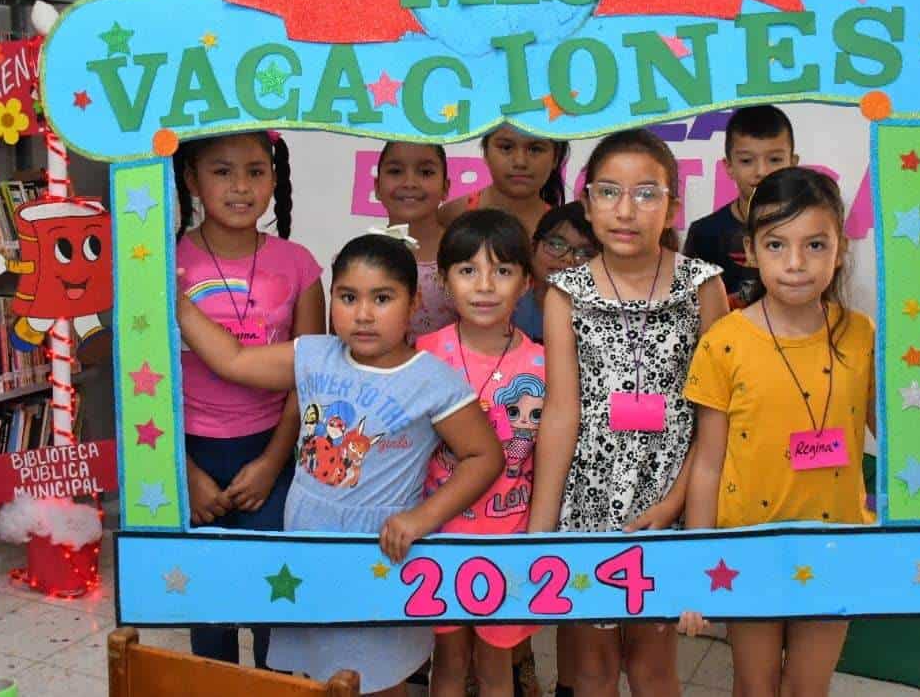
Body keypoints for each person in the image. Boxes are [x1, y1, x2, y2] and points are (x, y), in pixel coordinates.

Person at [677, 167, 920, 697]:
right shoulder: (724, 342)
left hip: (838, 543)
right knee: (755, 686)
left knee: (808, 688)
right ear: (750, 250)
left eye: (814, 244)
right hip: (748, 546)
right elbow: (708, 462)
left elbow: (900, 436)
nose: (794, 263)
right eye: (776, 244)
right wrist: (700, 559)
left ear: (839, 248)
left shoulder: (861, 335)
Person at [178, 232, 504, 696]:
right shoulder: (314, 356)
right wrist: (177, 303)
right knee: (317, 679)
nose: (364, 314)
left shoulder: (431, 380)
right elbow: (233, 359)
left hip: (378, 558)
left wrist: (421, 519)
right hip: (308, 553)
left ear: (413, 304)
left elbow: (483, 455)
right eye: (348, 297)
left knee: (377, 680)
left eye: (383, 298)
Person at [528, 128, 729, 697]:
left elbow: (712, 417)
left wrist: (677, 504)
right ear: (587, 203)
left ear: (672, 205)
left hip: (671, 492)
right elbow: (562, 414)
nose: (625, 210)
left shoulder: (703, 286)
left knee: (652, 665)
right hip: (588, 499)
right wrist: (539, 534)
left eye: (646, 193)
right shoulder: (564, 293)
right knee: (590, 669)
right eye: (609, 192)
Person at [172, 130, 325, 667]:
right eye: (221, 171)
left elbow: (310, 380)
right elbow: (146, 380)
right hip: (187, 457)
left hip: (273, 456)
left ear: (274, 178)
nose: (241, 186)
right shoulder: (166, 264)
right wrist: (184, 473)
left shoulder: (299, 264)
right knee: (206, 610)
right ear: (191, 178)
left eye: (256, 171)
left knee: (272, 608)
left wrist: (270, 462)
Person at [418, 210, 545, 697]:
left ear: (526, 283)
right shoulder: (424, 354)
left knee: (496, 668)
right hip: (439, 535)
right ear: (446, 284)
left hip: (507, 537)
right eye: (468, 270)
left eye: (503, 270)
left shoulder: (541, 361)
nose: (485, 285)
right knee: (448, 665)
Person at [682, 105, 797, 309]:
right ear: (729, 167)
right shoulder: (705, 233)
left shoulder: (806, 227)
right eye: (746, 160)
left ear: (792, 163)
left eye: (775, 160)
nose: (761, 171)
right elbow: (691, 309)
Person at [374, 140, 458, 336]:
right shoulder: (356, 259)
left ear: (446, 187)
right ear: (377, 187)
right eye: (395, 172)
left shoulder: (467, 256)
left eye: (426, 173)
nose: (410, 183)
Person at [438, 125, 569, 236]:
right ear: (485, 153)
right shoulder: (450, 216)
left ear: (556, 158)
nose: (520, 162)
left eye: (535, 149)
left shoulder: (565, 230)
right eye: (506, 147)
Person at [512, 202, 598, 344]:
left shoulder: (608, 324)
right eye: (557, 245)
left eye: (586, 253)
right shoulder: (506, 310)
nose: (568, 258)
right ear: (532, 248)